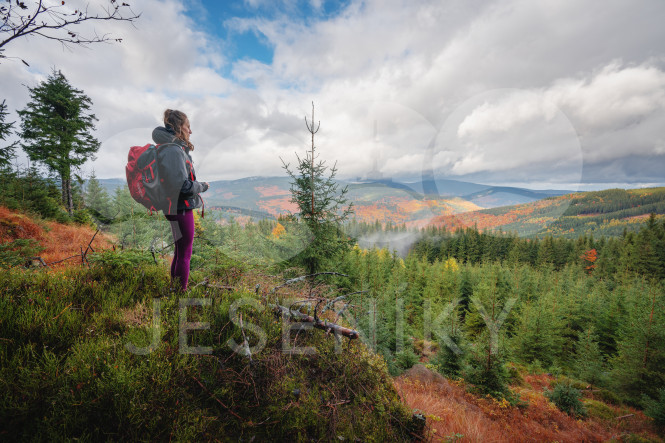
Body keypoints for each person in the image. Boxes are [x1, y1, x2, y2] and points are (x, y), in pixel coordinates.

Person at [152, 109, 208, 292]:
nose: (190, 131)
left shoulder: (168, 147)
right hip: (180, 209)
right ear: (179, 127)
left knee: (179, 250)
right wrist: (202, 186)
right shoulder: (173, 150)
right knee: (185, 253)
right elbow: (182, 185)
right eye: (188, 126)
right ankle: (180, 294)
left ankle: (174, 289)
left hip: (173, 208)